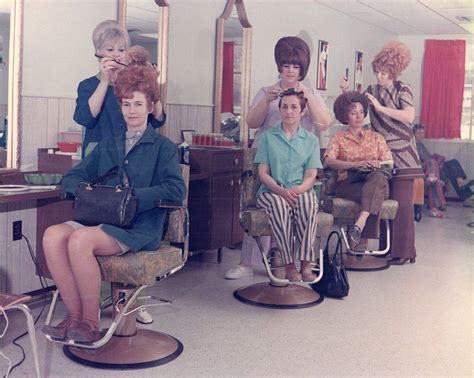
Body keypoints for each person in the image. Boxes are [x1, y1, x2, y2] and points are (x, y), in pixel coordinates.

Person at [41, 65, 186, 344]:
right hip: (100, 219)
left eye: (139, 104)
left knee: (80, 240)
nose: (132, 110)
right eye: (126, 104)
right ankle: (73, 318)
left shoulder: (163, 147)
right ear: (120, 107)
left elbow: (176, 190)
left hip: (139, 227)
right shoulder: (108, 144)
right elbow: (73, 177)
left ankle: (89, 322)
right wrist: (86, 191)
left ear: (150, 106)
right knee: (52, 236)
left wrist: (132, 197)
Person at [225, 36, 331, 280]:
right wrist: (268, 100)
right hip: (267, 156)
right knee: (259, 204)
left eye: (295, 66)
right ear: (279, 66)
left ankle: (286, 259)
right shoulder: (267, 91)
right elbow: (251, 123)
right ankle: (246, 262)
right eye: (286, 66)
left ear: (302, 69)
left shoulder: (311, 93)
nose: (290, 71)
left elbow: (323, 124)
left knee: (298, 204)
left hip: (297, 164)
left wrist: (308, 97)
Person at [340, 41, 420, 265]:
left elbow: (409, 116)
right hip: (381, 155)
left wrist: (381, 108)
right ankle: (388, 250)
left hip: (404, 155)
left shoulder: (403, 88)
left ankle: (405, 252)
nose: (380, 77)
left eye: (385, 73)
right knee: (386, 201)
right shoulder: (371, 91)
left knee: (403, 205)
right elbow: (357, 110)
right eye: (377, 72)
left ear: (394, 72)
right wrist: (346, 91)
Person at [254, 89, 321, 282]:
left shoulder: (311, 140)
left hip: (300, 189)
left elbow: (311, 175)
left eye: (294, 107)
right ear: (280, 109)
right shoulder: (268, 137)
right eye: (284, 107)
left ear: (302, 111)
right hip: (271, 191)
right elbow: (263, 174)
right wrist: (281, 191)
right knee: (279, 205)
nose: (289, 111)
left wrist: (298, 190)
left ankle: (306, 264)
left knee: (308, 203)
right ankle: (289, 265)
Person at [74, 20, 166, 157]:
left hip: (131, 156)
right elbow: (85, 119)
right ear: (98, 53)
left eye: (121, 50)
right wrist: (105, 81)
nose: (116, 54)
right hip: (97, 158)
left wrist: (151, 84)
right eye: (110, 50)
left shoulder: (134, 85)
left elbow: (158, 120)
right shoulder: (88, 85)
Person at [324, 91, 392, 251]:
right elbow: (327, 161)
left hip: (376, 181)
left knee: (377, 179)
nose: (359, 116)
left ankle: (359, 225)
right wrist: (354, 165)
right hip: (349, 184)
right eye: (353, 113)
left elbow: (389, 163)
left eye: (361, 112)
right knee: (374, 193)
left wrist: (377, 164)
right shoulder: (338, 138)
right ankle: (361, 239)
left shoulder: (376, 137)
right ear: (345, 116)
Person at [414, 123, 473, 208]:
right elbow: (422, 161)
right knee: (452, 169)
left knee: (453, 163)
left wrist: (437, 158)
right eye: (418, 133)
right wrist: (434, 162)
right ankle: (464, 197)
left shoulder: (420, 144)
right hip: (429, 169)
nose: (421, 135)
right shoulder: (414, 145)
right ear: (414, 134)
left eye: (422, 133)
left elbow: (428, 157)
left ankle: (460, 182)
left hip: (435, 165)